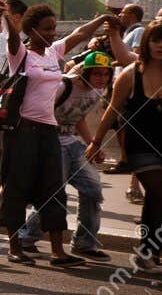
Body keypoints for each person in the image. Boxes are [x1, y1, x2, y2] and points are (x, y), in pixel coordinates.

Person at [0, 5, 104, 267]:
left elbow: (79, 34)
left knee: (55, 190)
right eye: (46, 29)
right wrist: (6, 18)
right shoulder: (20, 54)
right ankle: (15, 246)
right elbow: (12, 38)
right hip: (22, 131)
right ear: (32, 31)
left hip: (48, 131)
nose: (52, 33)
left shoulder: (54, 52)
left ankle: (58, 252)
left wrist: (101, 19)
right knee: (16, 188)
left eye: (54, 28)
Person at [15, 48, 124, 260]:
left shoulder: (98, 91)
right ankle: (26, 237)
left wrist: (92, 143)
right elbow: (34, 111)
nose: (102, 79)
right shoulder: (63, 86)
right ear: (86, 72)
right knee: (54, 193)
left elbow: (78, 116)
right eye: (97, 74)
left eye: (105, 74)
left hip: (72, 142)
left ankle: (84, 242)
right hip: (51, 142)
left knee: (93, 189)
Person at [87, 20, 162, 276]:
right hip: (139, 147)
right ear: (146, 43)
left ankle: (147, 250)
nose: (160, 46)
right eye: (154, 41)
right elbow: (111, 110)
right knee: (159, 195)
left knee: (159, 197)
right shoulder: (130, 74)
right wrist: (95, 142)